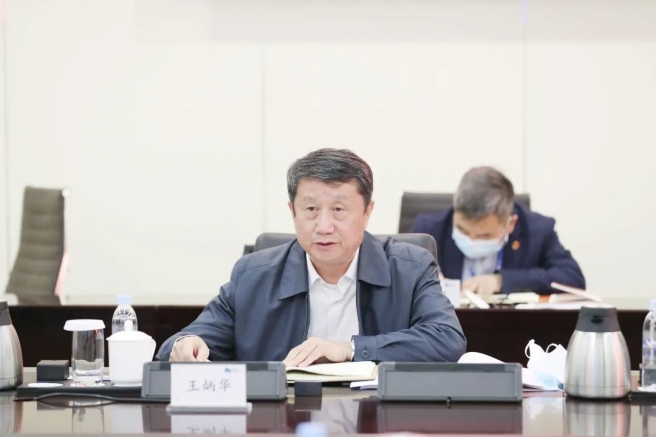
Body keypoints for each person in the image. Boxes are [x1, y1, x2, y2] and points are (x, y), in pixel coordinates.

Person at [156, 148, 466, 365]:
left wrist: (351, 349)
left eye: (339, 209)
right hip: (281, 422)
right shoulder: (252, 275)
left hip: (377, 420)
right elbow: (188, 339)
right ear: (292, 212)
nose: (324, 226)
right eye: (311, 209)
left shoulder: (410, 268)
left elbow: (447, 340)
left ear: (367, 212)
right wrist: (185, 345)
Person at [409, 166, 585, 295]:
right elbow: (398, 278)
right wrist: (424, 282)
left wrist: (500, 281)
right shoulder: (428, 229)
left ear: (510, 224)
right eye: (462, 230)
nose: (471, 240)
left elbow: (572, 278)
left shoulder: (537, 230)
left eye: (484, 235)